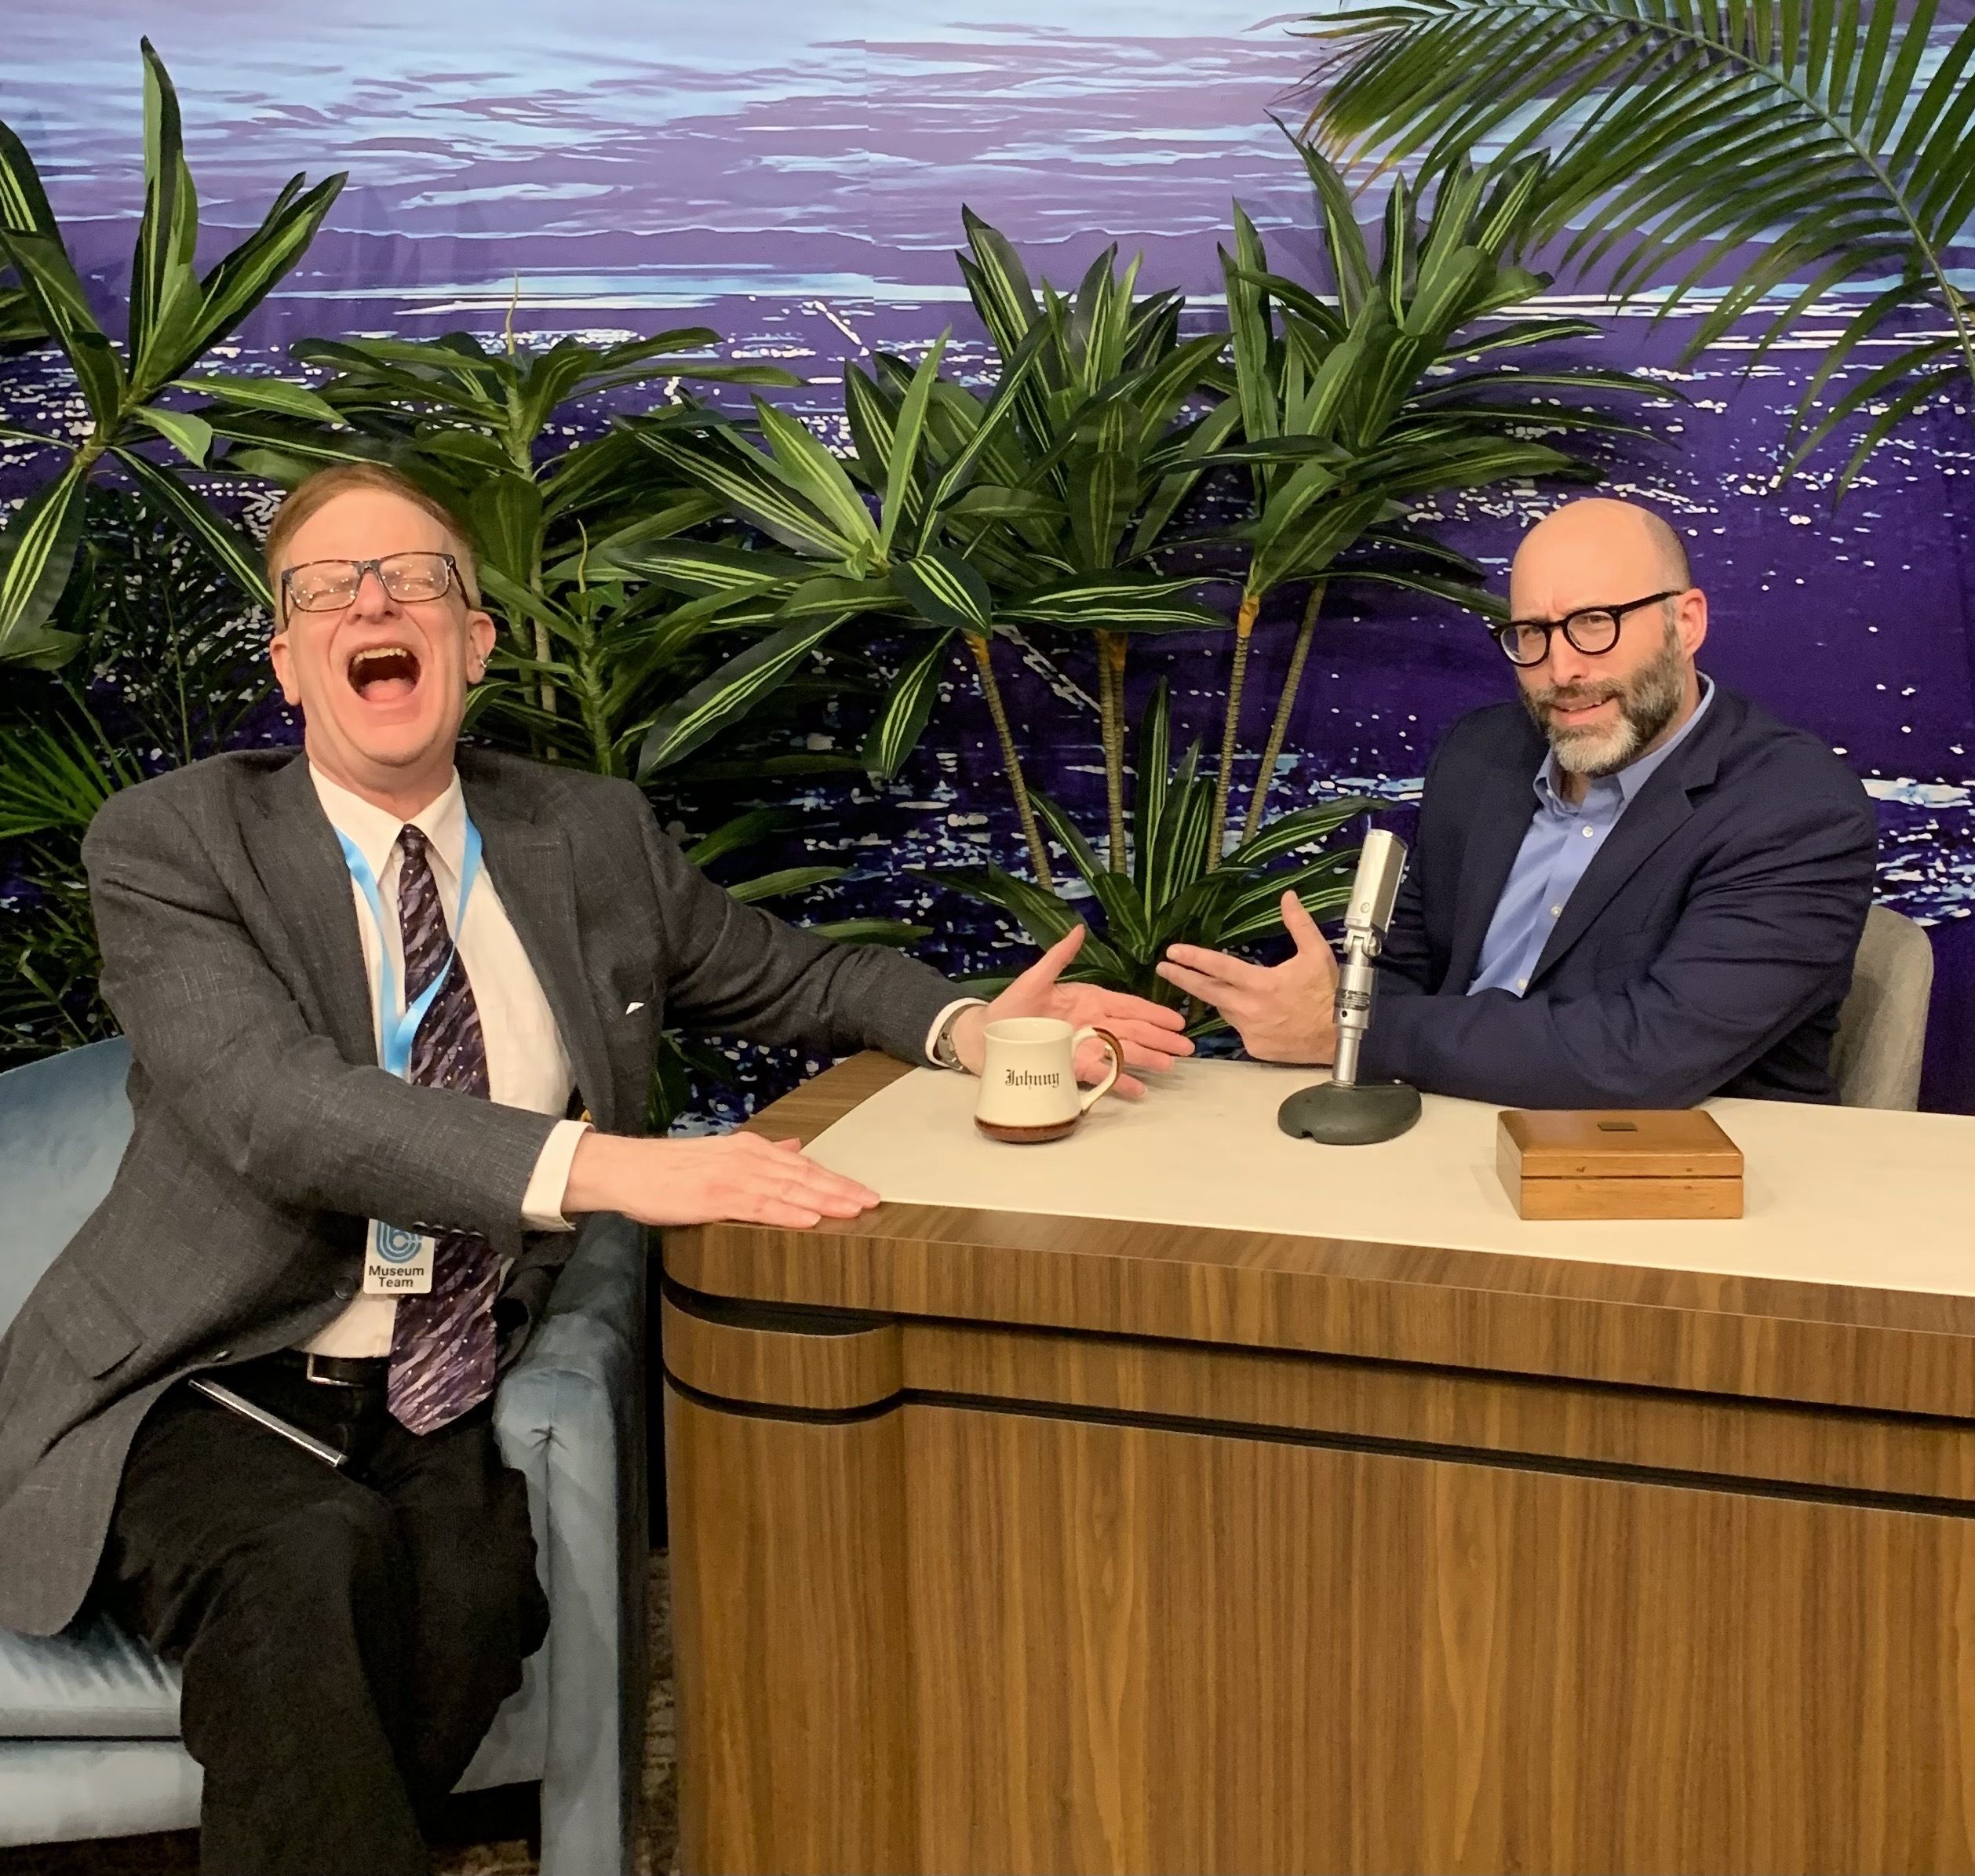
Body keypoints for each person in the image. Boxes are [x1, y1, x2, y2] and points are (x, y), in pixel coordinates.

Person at [0, 461, 1191, 1875]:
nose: (374, 599)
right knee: (308, 1566)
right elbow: (274, 1109)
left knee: (467, 1602)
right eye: (329, 587)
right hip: (204, 1370)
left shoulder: (589, 836)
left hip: (443, 1374)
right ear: (289, 661)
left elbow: (787, 976)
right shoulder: (176, 841)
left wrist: (965, 1022)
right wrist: (616, 1167)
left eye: (417, 578)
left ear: (475, 637)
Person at [1160, 497, 1878, 1109]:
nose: (1562, 668)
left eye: (1596, 622)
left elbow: (1649, 1054)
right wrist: (1322, 1014)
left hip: (1678, 1184)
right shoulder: (1481, 755)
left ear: (1685, 622)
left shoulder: (1796, 807)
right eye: (1533, 633)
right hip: (1439, 1125)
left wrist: (1352, 1029)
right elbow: (1408, 967)